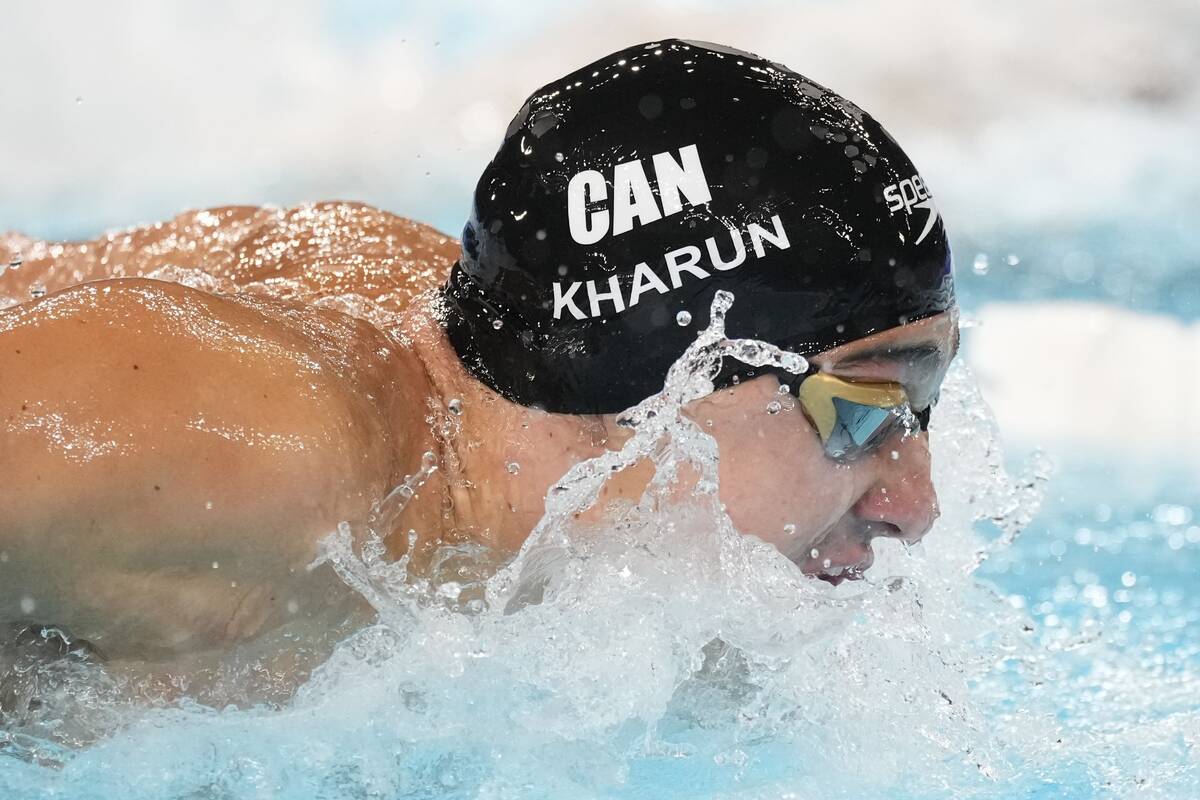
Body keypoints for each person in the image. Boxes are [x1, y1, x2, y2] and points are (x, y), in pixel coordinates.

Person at [0, 40, 956, 676]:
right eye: (863, 411)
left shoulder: (617, 589)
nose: (917, 506)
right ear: (648, 387)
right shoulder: (244, 452)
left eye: (926, 406)